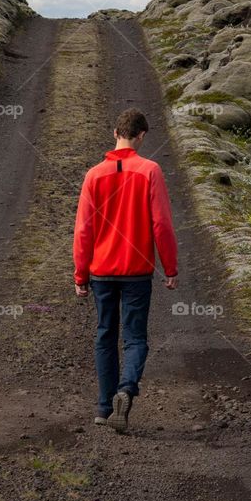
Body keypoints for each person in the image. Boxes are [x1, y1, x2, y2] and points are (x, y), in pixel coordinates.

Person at [73, 107, 179, 433]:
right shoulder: (150, 171)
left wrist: (80, 275)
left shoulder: (93, 175)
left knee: (105, 336)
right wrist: (170, 268)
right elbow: (161, 224)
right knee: (134, 339)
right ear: (141, 136)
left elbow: (83, 231)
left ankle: (104, 408)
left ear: (115, 134)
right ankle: (126, 389)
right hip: (136, 272)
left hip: (101, 272)